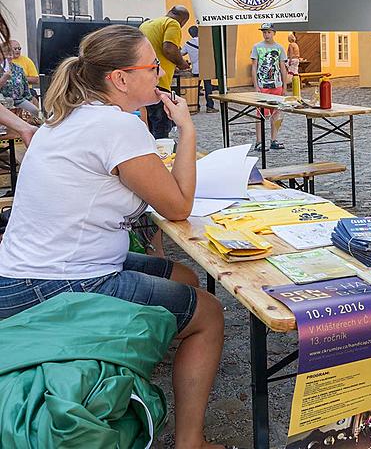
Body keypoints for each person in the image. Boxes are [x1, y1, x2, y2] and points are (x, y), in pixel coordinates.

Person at [0, 25, 225, 449]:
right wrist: (188, 130)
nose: (160, 74)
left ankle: (136, 367)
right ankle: (190, 440)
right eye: (152, 67)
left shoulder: (68, 118)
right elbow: (177, 206)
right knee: (209, 315)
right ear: (121, 79)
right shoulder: (114, 127)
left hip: (27, 271)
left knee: (185, 279)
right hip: (60, 283)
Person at [139, 6, 190, 138]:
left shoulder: (146, 25)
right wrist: (182, 63)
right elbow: (169, 49)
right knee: (161, 126)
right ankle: (161, 156)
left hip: (142, 82)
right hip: (160, 83)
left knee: (147, 126)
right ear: (183, 21)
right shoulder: (172, 23)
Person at [0, 14, 40, 145]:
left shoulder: (19, 66)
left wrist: (28, 97)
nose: (12, 55)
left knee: (34, 109)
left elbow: (31, 80)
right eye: (9, 52)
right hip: (4, 99)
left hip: (19, 98)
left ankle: (21, 135)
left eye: (17, 50)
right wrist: (5, 78)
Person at [251, 23, 289, 151]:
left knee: (277, 113)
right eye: (264, 32)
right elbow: (254, 67)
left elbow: (282, 67)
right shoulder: (257, 47)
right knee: (260, 114)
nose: (266, 34)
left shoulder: (279, 48)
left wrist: (284, 86)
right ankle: (259, 141)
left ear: (274, 33)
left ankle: (274, 139)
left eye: (268, 32)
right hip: (263, 85)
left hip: (276, 85)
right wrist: (255, 85)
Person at [179, 25, 217, 114]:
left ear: (190, 34)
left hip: (196, 69)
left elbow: (181, 53)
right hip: (206, 67)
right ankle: (210, 107)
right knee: (208, 88)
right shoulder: (206, 41)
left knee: (195, 89)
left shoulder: (188, 43)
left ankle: (196, 106)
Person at [0, 41, 39, 119]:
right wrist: (4, 79)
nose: (9, 57)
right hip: (3, 101)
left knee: (34, 110)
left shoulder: (18, 68)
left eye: (10, 54)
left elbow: (25, 87)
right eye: (6, 55)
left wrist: (29, 100)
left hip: (18, 100)